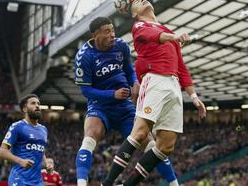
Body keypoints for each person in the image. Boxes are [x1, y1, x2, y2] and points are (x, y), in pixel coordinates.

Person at [102, 0, 206, 186]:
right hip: (155, 80)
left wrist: (194, 96)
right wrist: (175, 37)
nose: (141, 0)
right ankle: (107, 183)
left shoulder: (167, 31)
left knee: (166, 146)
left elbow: (181, 67)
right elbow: (152, 36)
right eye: (136, 3)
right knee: (140, 132)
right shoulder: (139, 26)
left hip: (174, 86)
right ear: (134, 14)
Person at [75, 17, 180, 186]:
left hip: (125, 107)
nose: (112, 35)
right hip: (100, 106)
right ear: (95, 35)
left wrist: (135, 82)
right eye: (107, 31)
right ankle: (81, 183)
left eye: (113, 30)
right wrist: (112, 94)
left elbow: (129, 70)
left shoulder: (121, 46)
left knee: (151, 145)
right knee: (90, 136)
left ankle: (174, 183)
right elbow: (85, 90)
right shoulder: (84, 56)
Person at [0, 94, 53, 186]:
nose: (37, 106)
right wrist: (21, 161)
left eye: (38, 104)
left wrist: (46, 163)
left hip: (37, 182)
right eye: (33, 103)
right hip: (20, 179)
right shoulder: (17, 126)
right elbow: (2, 151)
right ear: (25, 109)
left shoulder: (44, 129)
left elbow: (41, 150)